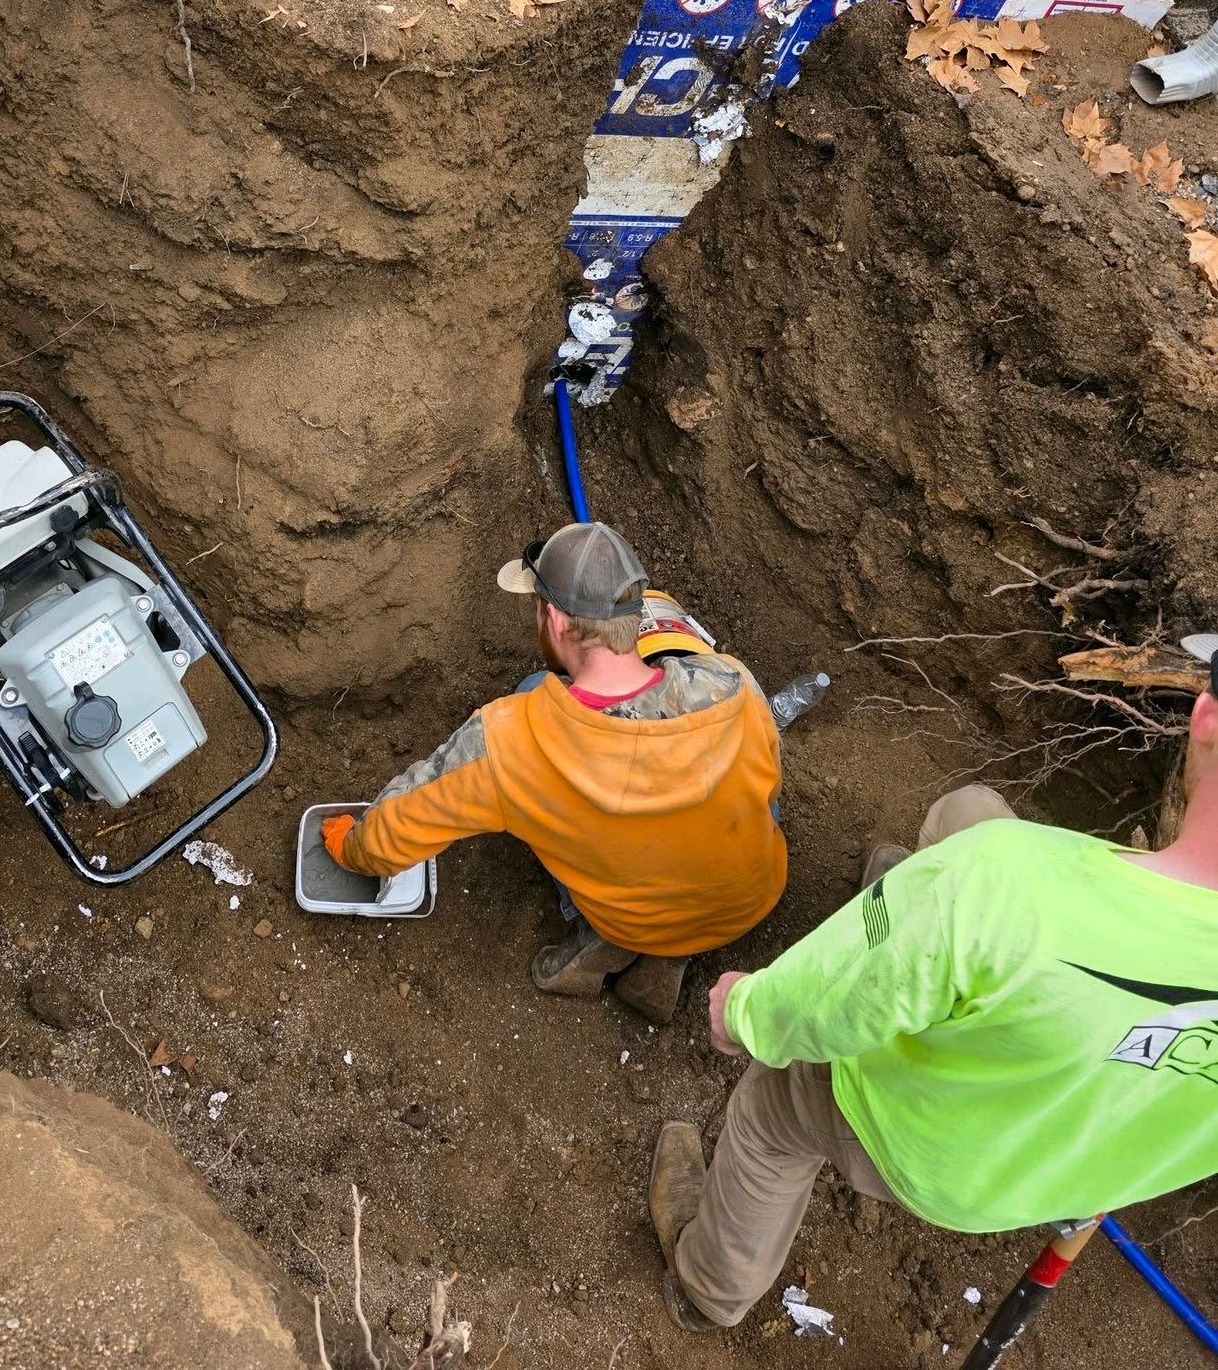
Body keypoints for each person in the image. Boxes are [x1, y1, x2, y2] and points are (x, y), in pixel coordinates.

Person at [647, 672, 1218, 1332]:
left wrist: (743, 1010)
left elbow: (818, 1008)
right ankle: (902, 909)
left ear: (1204, 714)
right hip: (1067, 1171)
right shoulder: (1000, 878)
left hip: (927, 1140)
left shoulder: (1004, 883)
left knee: (771, 1110)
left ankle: (709, 1289)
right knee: (969, 813)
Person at [320, 521, 786, 1025]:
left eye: (537, 608)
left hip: (631, 921)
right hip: (751, 898)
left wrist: (351, 846)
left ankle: (607, 944)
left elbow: (400, 826)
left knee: (533, 695)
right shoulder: (733, 684)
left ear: (558, 622)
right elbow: (769, 788)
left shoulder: (510, 740)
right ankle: (669, 959)